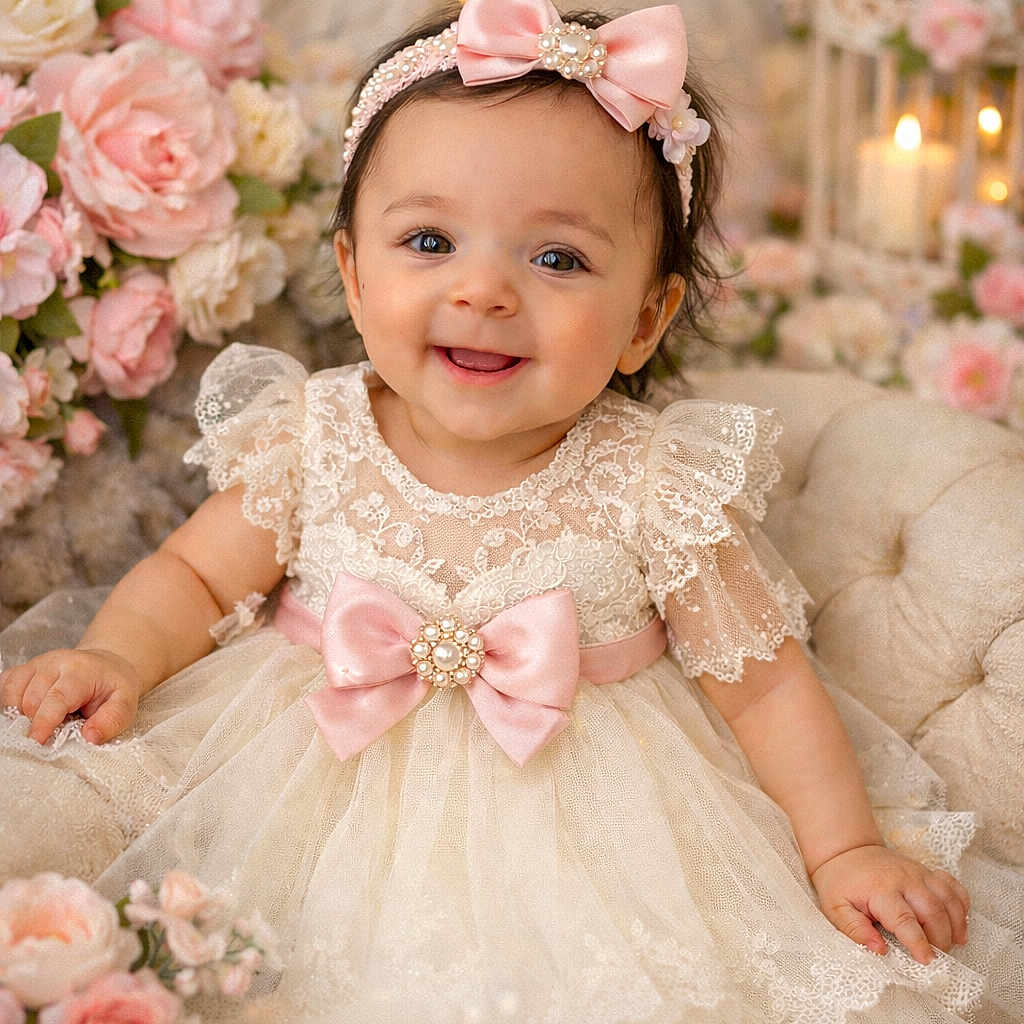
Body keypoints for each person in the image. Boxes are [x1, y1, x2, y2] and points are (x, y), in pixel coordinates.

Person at [1, 1, 1020, 1020]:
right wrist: (120, 655)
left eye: (558, 259)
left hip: (592, 830)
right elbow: (193, 575)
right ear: (353, 276)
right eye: (430, 239)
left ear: (644, 319)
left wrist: (844, 847)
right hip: (299, 783)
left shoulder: (654, 485)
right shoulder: (314, 435)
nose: (484, 288)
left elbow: (762, 689)